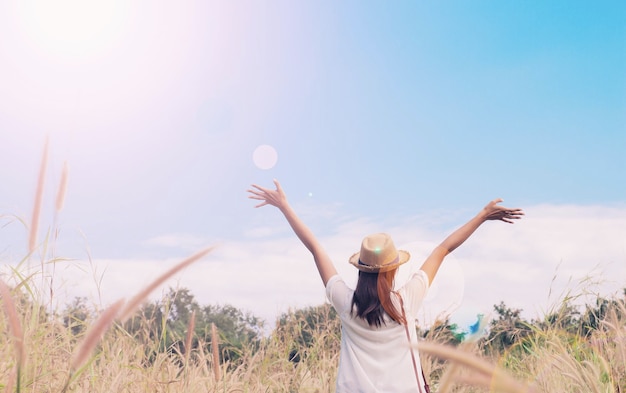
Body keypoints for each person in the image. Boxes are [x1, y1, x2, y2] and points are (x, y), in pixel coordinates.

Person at [248, 179, 524, 393]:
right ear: (394, 269)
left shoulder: (345, 303)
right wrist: (482, 216)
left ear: (361, 269)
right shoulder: (406, 302)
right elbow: (443, 249)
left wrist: (285, 206)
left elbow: (315, 249)